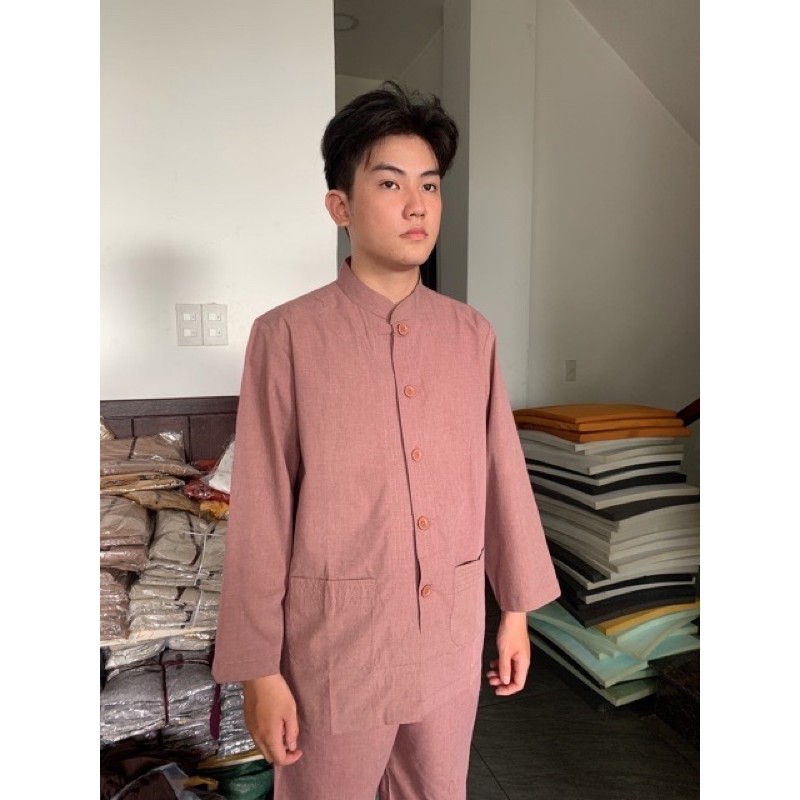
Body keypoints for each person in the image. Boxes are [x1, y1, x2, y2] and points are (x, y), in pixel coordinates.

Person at [212, 81, 559, 800]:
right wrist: (260, 670)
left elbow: (503, 477)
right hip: (335, 648)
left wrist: (515, 614)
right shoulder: (288, 337)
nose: (417, 206)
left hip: (449, 638)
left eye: (430, 185)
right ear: (340, 207)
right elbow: (262, 510)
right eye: (391, 183)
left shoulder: (471, 336)